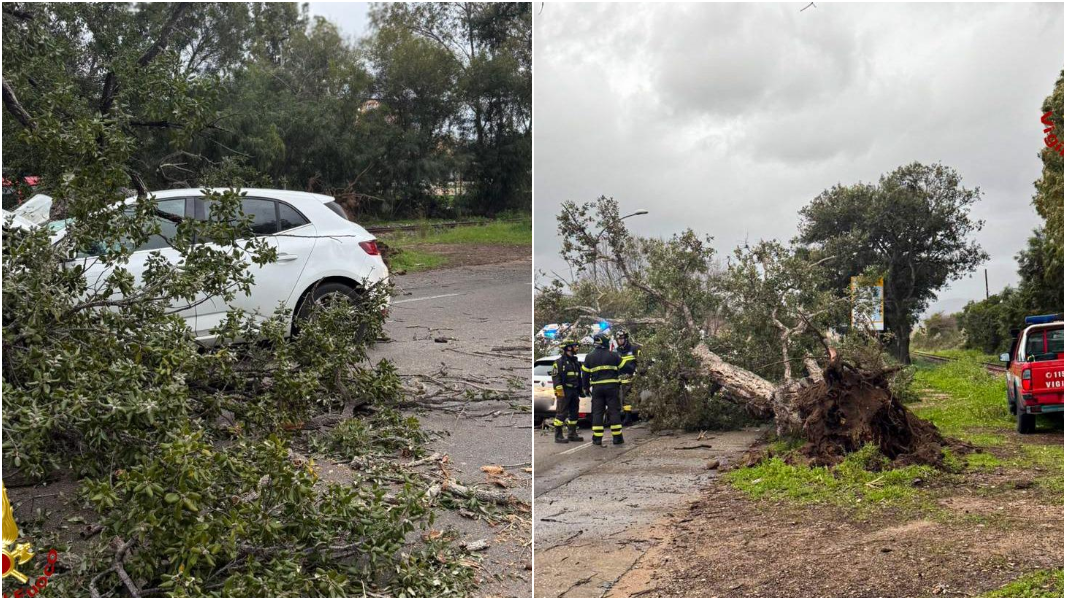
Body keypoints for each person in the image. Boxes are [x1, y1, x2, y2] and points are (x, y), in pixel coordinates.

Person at [581, 332, 624, 445]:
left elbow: (584, 375)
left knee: (597, 412)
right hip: (612, 388)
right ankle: (617, 438)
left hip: (597, 389)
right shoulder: (613, 355)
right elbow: (625, 368)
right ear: (605, 342)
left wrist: (585, 388)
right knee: (614, 411)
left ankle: (597, 438)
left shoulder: (589, 356)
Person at [550, 339, 584, 443]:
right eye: (575, 346)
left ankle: (572, 434)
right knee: (561, 413)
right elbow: (556, 378)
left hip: (574, 391)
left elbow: (579, 378)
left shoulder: (575, 362)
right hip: (565, 391)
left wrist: (580, 390)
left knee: (574, 413)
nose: (576, 348)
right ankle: (558, 435)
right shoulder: (559, 362)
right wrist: (560, 392)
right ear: (569, 348)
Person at [616, 329, 643, 427]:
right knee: (623, 399)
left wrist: (638, 373)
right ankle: (625, 417)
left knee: (629, 398)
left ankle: (630, 418)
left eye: (622, 339)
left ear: (626, 339)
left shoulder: (634, 349)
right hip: (620, 379)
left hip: (633, 377)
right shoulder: (617, 351)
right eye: (618, 339)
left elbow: (641, 362)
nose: (620, 341)